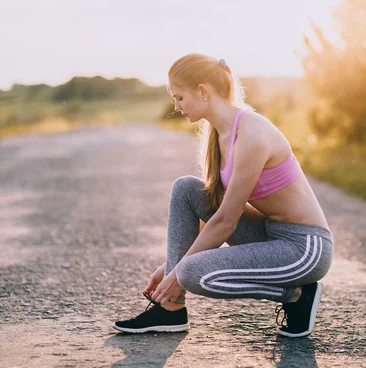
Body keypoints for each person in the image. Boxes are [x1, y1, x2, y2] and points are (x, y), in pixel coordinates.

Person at [113, 53, 334, 338]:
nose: (177, 106)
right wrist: (170, 268)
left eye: (180, 98)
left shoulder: (252, 134)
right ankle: (170, 309)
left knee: (191, 273)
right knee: (186, 189)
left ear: (203, 91)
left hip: (305, 248)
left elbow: (226, 221)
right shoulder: (219, 134)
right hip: (269, 234)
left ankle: (296, 294)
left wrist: (177, 274)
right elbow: (215, 212)